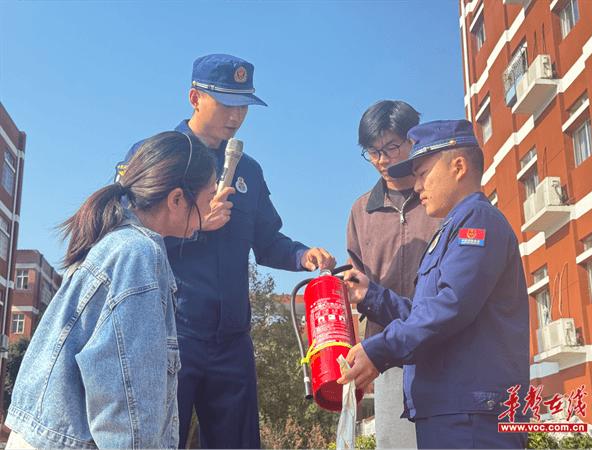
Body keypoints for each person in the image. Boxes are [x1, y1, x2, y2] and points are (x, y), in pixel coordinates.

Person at [116, 53, 336, 449]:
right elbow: (122, 233)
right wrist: (195, 226)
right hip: (169, 331)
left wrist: (303, 255)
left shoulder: (248, 170)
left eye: (243, 105)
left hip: (232, 339)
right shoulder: (157, 156)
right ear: (195, 97)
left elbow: (268, 242)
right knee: (157, 440)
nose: (236, 115)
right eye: (226, 103)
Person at [5, 132, 217, 449]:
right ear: (176, 200)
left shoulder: (116, 243)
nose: (214, 205)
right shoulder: (139, 254)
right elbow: (125, 398)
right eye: (209, 195)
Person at [341, 120, 530, 449]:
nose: (416, 186)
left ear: (458, 167)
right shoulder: (451, 229)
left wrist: (378, 350)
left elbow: (450, 307)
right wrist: (370, 295)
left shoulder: (477, 222)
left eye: (423, 173)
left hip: (471, 411)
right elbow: (424, 311)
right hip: (451, 407)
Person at [347, 100, 441, 448]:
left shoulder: (442, 198)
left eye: (391, 147)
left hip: (442, 348)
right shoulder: (361, 211)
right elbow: (358, 286)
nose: (382, 160)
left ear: (413, 140)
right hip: (387, 358)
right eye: (372, 152)